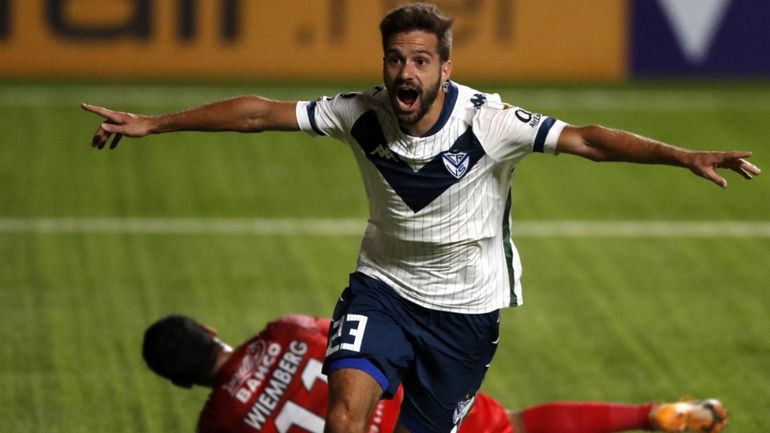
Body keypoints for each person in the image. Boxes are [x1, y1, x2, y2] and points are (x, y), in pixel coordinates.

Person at [85, 3, 760, 433]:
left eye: (419, 60)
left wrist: (682, 156)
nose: (404, 71)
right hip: (382, 289)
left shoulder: (489, 122)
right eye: (395, 58)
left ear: (444, 68)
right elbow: (261, 113)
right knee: (344, 412)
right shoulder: (359, 111)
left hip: (464, 315)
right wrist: (157, 123)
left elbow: (586, 138)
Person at [142, 313, 729, 433]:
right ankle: (652, 416)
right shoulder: (284, 331)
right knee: (518, 427)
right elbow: (361, 343)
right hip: (415, 409)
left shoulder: (218, 424)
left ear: (178, 382)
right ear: (211, 331)